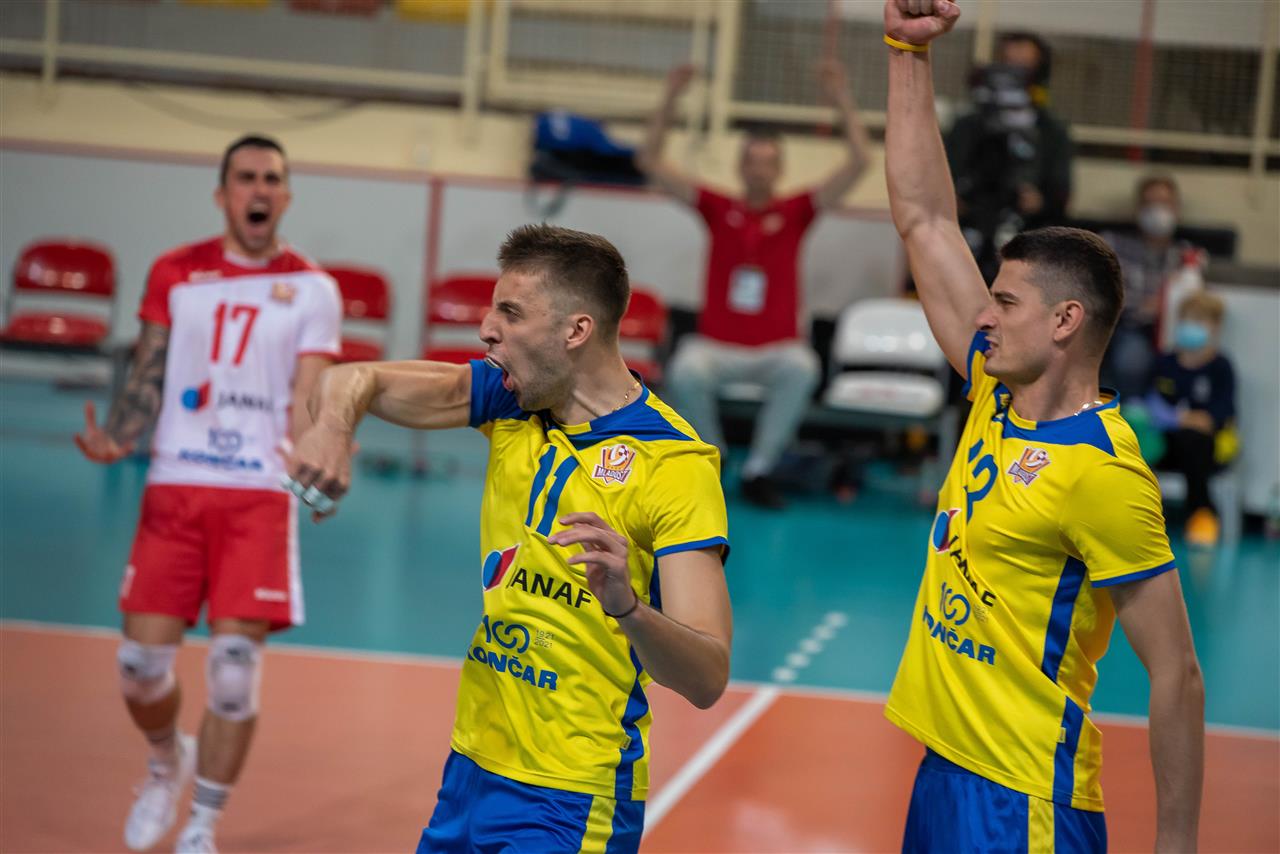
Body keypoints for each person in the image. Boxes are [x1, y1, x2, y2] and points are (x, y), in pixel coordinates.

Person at [283, 224, 732, 853]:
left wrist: (629, 607)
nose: (486, 328)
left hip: (572, 799)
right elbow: (357, 380)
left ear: (575, 331)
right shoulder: (511, 400)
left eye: (511, 312)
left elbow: (708, 676)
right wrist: (332, 428)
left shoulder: (674, 465)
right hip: (470, 769)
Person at [879, 2, 1204, 851]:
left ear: (1064, 321)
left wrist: (1175, 845)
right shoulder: (994, 389)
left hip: (1024, 805)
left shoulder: (1103, 473)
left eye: (1005, 302)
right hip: (944, 774)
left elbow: (1176, 674)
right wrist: (907, 52)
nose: (983, 315)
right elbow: (925, 220)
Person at [74, 134, 342, 854]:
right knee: (139, 669)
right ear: (223, 194)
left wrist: (317, 462)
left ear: (286, 196)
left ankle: (201, 825)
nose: (260, 190)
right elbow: (151, 369)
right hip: (176, 487)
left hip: (256, 493)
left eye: (272, 179)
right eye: (246, 178)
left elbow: (309, 396)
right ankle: (167, 762)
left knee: (233, 673)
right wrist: (120, 434)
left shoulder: (314, 288)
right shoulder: (175, 272)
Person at [636, 60, 872, 509]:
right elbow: (649, 161)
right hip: (718, 346)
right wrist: (670, 98)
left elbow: (860, 161)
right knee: (685, 369)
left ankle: (759, 468)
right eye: (752, 160)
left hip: (775, 349)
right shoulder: (716, 207)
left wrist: (841, 98)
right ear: (740, 166)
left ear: (779, 168)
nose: (759, 169)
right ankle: (715, 455)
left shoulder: (798, 211)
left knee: (803, 368)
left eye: (768, 162)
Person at [946, 30, 1074, 283]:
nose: (1013, 76)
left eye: (1023, 68)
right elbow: (943, 174)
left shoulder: (1051, 132)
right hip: (965, 237)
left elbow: (1061, 193)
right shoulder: (967, 126)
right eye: (1007, 65)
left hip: (1025, 241)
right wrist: (950, 200)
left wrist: (1039, 200)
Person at [1146, 290, 1238, 547]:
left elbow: (1218, 416)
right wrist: (1183, 418)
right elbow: (1151, 405)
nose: (1191, 326)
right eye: (1187, 319)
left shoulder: (1220, 367)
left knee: (1194, 440)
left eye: (1199, 320)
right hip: (1165, 443)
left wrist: (1178, 418)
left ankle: (1202, 515)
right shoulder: (1165, 362)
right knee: (1136, 439)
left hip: (1203, 448)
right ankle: (1143, 514)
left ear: (1215, 327)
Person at [1101, 175, 1207, 400]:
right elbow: (1101, 295)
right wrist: (1146, 307)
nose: (1158, 210)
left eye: (1165, 203)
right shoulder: (1113, 245)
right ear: (1138, 209)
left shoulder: (1187, 254)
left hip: (1174, 332)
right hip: (1129, 327)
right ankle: (1131, 409)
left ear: (1176, 210)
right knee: (1133, 358)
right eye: (1150, 203)